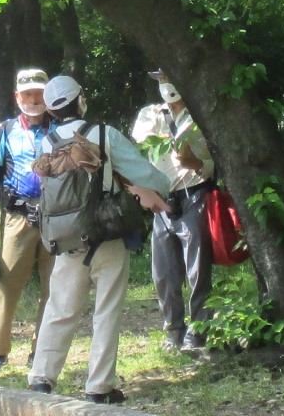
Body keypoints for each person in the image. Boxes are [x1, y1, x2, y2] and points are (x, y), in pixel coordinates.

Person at [27, 75, 171, 404]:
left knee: (60, 308)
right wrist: (167, 188)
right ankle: (99, 386)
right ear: (80, 100)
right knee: (106, 310)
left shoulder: (46, 142)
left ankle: (41, 379)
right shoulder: (104, 134)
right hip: (105, 232)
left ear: (51, 109)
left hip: (66, 237)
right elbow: (143, 173)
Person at [132, 71, 215, 352]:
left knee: (197, 266)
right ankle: (173, 329)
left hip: (195, 193)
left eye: (169, 76)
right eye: (160, 78)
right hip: (163, 199)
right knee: (163, 271)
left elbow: (211, 164)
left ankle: (199, 328)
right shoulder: (150, 115)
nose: (166, 82)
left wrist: (194, 163)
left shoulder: (200, 114)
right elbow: (142, 148)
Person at [0, 67, 55, 372]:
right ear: (17, 97)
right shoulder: (5, 130)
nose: (34, 99)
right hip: (18, 216)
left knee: (54, 287)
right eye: (28, 94)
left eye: (39, 94)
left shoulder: (62, 128)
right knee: (7, 283)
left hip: (55, 216)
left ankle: (42, 351)